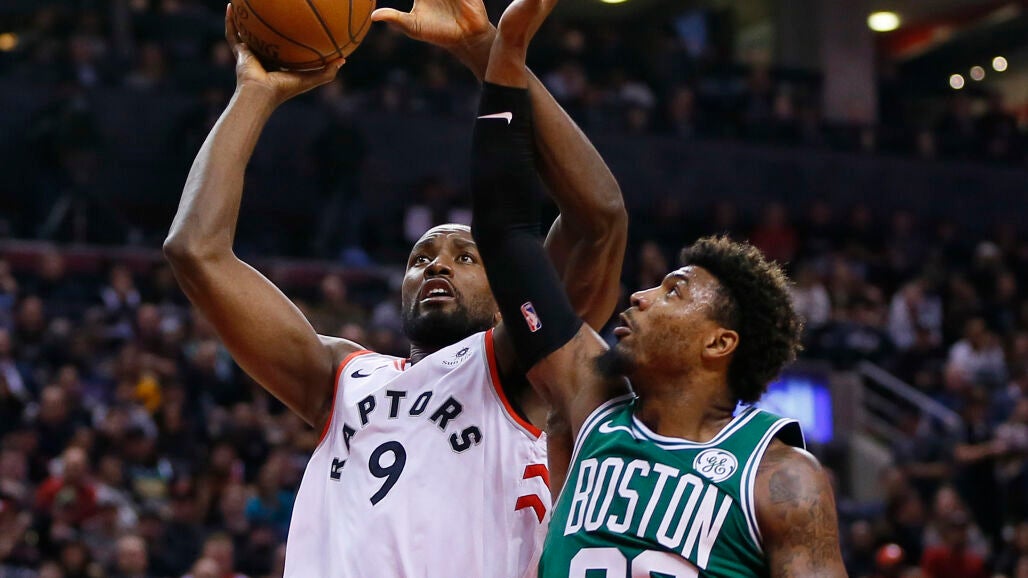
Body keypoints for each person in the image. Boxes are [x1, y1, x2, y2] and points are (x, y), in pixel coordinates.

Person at [163, 0, 627, 576]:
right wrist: (254, 92)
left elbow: (597, 219)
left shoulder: (520, 369)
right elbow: (195, 251)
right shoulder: (340, 378)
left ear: (510, 286)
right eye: (421, 258)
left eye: (465, 257)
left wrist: (486, 50)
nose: (437, 267)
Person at [466, 0, 847, 575]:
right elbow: (505, 235)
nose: (639, 296)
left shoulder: (780, 478)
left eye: (673, 292)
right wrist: (505, 49)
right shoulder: (591, 403)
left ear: (719, 342)